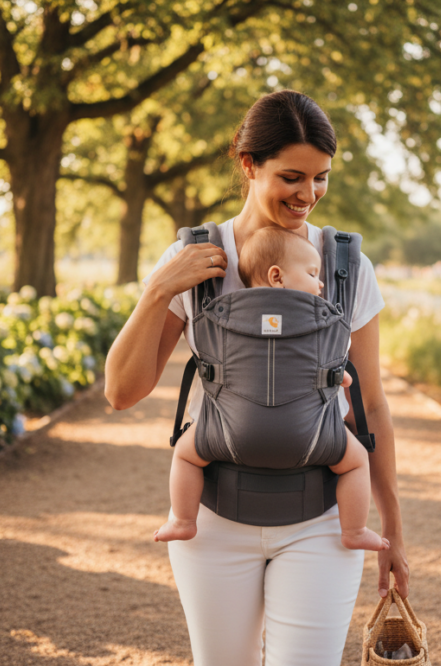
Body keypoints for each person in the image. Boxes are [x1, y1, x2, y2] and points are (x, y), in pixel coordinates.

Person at [104, 90, 408, 666]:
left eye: (321, 178)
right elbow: (121, 392)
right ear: (248, 164)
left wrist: (393, 529)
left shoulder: (344, 268)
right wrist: (159, 289)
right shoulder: (192, 259)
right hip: (213, 520)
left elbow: (371, 407)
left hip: (322, 520)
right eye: (291, 176)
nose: (308, 195)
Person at [153, 226, 390, 553]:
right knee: (355, 460)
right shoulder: (317, 318)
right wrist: (338, 377)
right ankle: (354, 530)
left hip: (224, 435)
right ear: (277, 276)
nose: (321, 283)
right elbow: (343, 378)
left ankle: (183, 520)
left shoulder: (228, 308)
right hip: (314, 440)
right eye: (312, 273)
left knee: (185, 454)